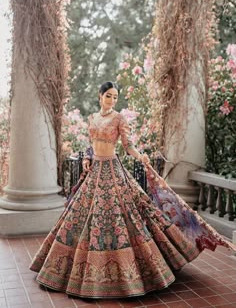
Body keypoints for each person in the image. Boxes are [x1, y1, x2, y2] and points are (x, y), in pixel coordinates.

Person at [30, 81, 235, 299]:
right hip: (95, 172)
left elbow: (127, 146)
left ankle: (137, 272)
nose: (112, 100)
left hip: (113, 169)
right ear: (100, 96)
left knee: (127, 218)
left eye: (116, 97)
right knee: (82, 218)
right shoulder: (93, 118)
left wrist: (140, 156)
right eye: (108, 95)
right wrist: (87, 158)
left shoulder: (119, 119)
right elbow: (92, 143)